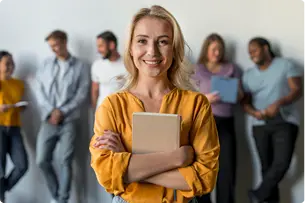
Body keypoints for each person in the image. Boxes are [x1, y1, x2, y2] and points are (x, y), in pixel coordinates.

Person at [89, 5, 220, 203]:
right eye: (142, 41)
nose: (152, 51)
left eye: (163, 42)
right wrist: (176, 159)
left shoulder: (196, 104)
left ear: (174, 50)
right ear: (131, 49)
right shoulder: (111, 106)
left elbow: (205, 178)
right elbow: (106, 175)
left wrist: (127, 163)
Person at [242, 37, 302, 203]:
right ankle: (263, 197)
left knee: (281, 163)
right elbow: (244, 101)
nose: (251, 54)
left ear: (266, 48)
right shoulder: (248, 75)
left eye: (254, 50)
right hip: (259, 124)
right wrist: (253, 112)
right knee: (266, 170)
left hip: (284, 121)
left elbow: (297, 89)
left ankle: (258, 194)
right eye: (249, 52)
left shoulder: (286, 65)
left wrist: (279, 103)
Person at [35, 30, 90, 203]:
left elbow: (81, 93)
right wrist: (52, 111)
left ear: (65, 42)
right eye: (51, 47)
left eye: (57, 45)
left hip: (69, 119)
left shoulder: (80, 66)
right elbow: (39, 90)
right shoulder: (45, 64)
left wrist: (62, 111)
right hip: (48, 119)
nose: (54, 49)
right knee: (42, 160)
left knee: (66, 161)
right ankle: (56, 195)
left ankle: (62, 200)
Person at [193, 33, 243, 203]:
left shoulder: (233, 68)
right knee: (203, 168)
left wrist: (235, 93)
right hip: (203, 123)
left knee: (227, 169)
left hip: (226, 123)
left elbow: (241, 95)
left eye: (220, 49)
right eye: (214, 49)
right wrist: (205, 98)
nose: (217, 53)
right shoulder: (196, 69)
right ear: (206, 50)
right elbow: (188, 98)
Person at [0, 51, 28, 203]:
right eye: (7, 63)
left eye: (12, 62)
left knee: (22, 165)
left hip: (14, 127)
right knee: (0, 168)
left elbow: (16, 103)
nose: (11, 66)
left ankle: (2, 189)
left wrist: (20, 107)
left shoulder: (18, 84)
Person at [91, 31, 126, 110]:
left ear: (111, 45)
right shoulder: (97, 65)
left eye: (101, 46)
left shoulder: (128, 65)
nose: (98, 50)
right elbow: (95, 90)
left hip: (121, 112)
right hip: (102, 112)